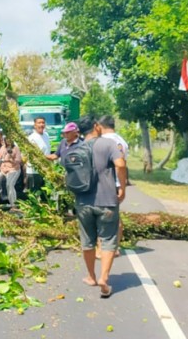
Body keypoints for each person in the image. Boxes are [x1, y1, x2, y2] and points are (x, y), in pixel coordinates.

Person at [73, 116, 127, 299]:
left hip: (82, 202)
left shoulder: (76, 147)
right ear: (96, 127)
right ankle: (104, 278)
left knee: (87, 240)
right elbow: (120, 164)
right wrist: (122, 187)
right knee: (108, 239)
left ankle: (91, 276)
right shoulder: (108, 144)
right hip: (107, 201)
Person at [96, 115, 129, 259]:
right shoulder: (122, 141)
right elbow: (123, 166)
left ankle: (100, 249)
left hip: (104, 183)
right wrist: (123, 187)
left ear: (100, 126)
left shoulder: (103, 141)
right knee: (115, 217)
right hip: (116, 183)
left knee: (100, 216)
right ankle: (115, 247)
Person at [26, 116, 51, 192]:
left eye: (43, 122)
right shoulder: (31, 138)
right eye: (39, 123)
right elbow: (31, 155)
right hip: (34, 171)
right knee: (35, 193)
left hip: (45, 169)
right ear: (35, 125)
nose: (41, 124)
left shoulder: (46, 135)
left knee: (45, 193)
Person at [0, 137, 22, 208]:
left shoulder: (15, 148)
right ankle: (3, 198)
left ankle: (13, 205)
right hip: (3, 169)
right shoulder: (3, 148)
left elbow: (18, 160)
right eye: (7, 140)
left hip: (13, 169)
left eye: (9, 140)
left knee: (9, 185)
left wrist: (11, 158)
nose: (8, 141)